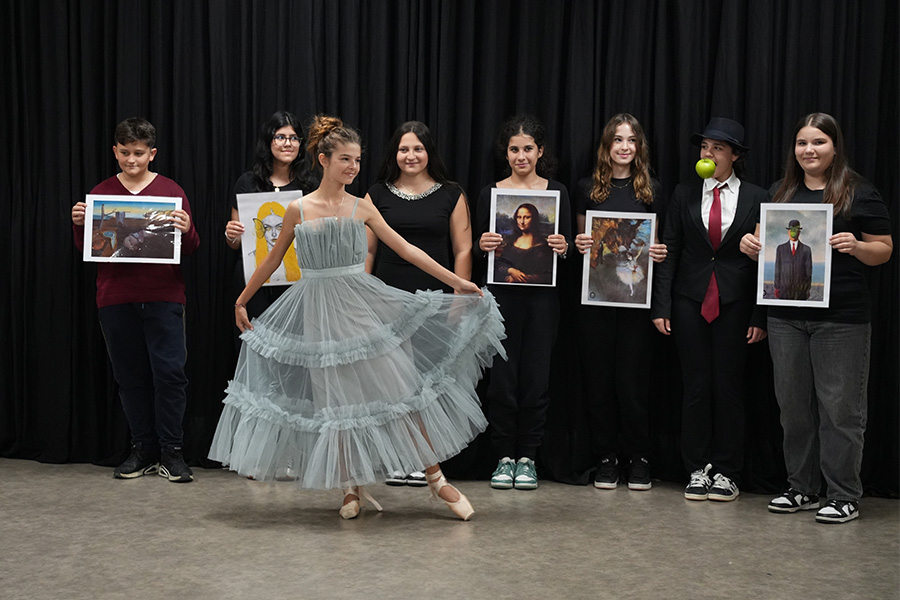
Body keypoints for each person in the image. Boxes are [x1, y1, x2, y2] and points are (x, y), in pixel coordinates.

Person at [209, 115, 506, 521]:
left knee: (400, 390)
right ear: (324, 159)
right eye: (346, 159)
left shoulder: (362, 206)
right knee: (337, 402)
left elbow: (406, 249)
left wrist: (457, 281)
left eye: (358, 160)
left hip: (361, 307)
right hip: (318, 313)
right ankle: (350, 486)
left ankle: (436, 479)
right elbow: (272, 259)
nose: (353, 167)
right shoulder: (298, 209)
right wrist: (242, 300)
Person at [740, 113, 892, 523]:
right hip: (785, 317)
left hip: (841, 319)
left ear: (835, 147)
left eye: (819, 142)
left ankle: (843, 494)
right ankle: (801, 488)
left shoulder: (858, 192)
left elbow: (884, 249)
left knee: (840, 410)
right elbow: (762, 244)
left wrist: (857, 246)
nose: (809, 150)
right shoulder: (780, 192)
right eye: (802, 143)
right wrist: (750, 245)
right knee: (793, 408)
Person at [71, 117, 200, 483]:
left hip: (164, 296)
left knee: (170, 375)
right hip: (115, 297)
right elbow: (89, 250)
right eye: (125, 152)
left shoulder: (171, 190)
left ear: (152, 153)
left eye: (139, 153)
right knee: (130, 377)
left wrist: (188, 230)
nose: (132, 160)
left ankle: (172, 452)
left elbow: (191, 248)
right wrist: (80, 225)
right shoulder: (102, 192)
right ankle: (142, 448)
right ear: (115, 151)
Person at [651, 117, 767, 502]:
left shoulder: (758, 196)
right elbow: (670, 249)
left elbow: (766, 262)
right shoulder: (684, 193)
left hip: (736, 303)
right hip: (689, 300)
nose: (709, 154)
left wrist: (759, 315)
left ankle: (728, 471)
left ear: (735, 155)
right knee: (696, 385)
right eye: (705, 147)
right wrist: (661, 305)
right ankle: (697, 469)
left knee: (728, 386)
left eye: (718, 148)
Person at [364, 121, 473, 487]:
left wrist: (458, 300)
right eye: (403, 149)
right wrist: (364, 297)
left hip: (435, 302)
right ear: (394, 153)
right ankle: (399, 458)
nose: (410, 156)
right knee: (392, 384)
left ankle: (426, 460)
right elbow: (367, 251)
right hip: (387, 303)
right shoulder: (376, 194)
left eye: (417, 149)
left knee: (426, 384)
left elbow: (463, 250)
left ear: (429, 153)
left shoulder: (452, 194)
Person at [572, 113, 667, 490]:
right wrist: (581, 244)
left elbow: (658, 244)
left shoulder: (652, 190)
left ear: (639, 146)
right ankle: (606, 457)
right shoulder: (587, 188)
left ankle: (639, 457)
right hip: (595, 300)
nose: (624, 147)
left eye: (631, 140)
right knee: (598, 383)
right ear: (606, 146)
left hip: (635, 303)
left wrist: (659, 251)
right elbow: (583, 244)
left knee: (632, 383)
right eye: (617, 140)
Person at [476, 115, 572, 490]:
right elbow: (478, 249)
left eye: (528, 148)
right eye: (514, 149)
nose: (521, 156)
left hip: (543, 302)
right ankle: (504, 456)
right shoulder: (490, 194)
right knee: (502, 379)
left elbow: (569, 252)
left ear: (540, 151)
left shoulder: (558, 193)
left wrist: (563, 248)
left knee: (536, 378)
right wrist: (484, 246)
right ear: (506, 153)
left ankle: (528, 457)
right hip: (501, 299)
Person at [224, 111, 318, 325]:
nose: (288, 143)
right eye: (280, 137)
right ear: (268, 141)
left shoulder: (310, 185)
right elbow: (236, 244)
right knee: (256, 338)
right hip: (252, 281)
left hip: (297, 281)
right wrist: (231, 235)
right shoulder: (247, 182)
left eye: (294, 138)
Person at [493, 203, 555, 284]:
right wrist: (511, 271)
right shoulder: (510, 241)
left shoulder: (543, 247)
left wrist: (521, 278)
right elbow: (499, 263)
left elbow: (548, 276)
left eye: (527, 217)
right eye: (519, 217)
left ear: (534, 219)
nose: (522, 222)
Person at [773, 219, 812, 300]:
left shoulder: (806, 249)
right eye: (791, 230)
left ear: (799, 232)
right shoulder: (781, 249)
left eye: (795, 230)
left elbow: (808, 272)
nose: (793, 232)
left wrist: (807, 288)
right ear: (788, 232)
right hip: (784, 290)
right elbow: (778, 268)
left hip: (800, 291)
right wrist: (777, 287)